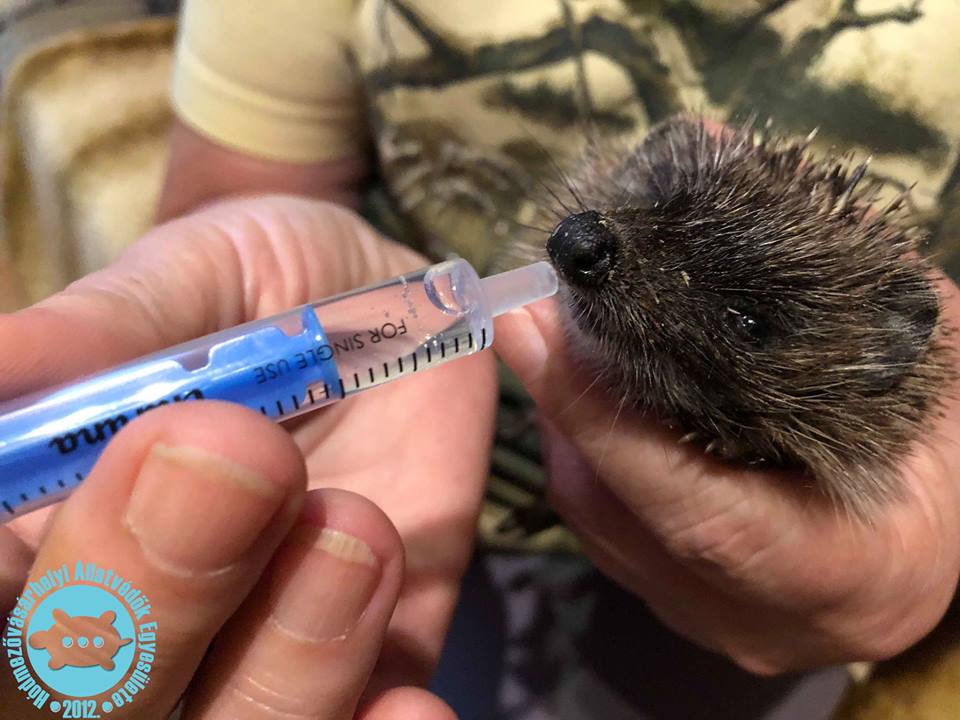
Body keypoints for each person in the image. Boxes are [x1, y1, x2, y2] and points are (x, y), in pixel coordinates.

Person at [2, 1, 960, 718]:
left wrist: (930, 573)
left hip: (740, 640)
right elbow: (226, 188)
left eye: (749, 320)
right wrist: (255, 271)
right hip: (426, 507)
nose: (593, 241)